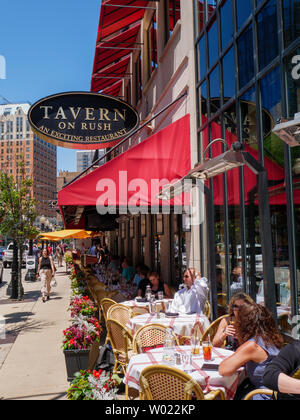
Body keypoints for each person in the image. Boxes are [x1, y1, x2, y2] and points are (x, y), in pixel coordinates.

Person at [219, 303, 284, 400]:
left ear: (244, 324)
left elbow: (224, 370)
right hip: (278, 392)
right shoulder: (271, 338)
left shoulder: (252, 346)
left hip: (266, 395)